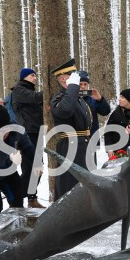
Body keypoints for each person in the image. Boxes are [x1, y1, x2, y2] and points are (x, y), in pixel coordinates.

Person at [50, 59, 93, 200]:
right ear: (63, 78)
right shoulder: (59, 98)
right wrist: (73, 87)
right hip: (70, 147)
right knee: (70, 187)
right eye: (72, 75)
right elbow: (66, 110)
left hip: (83, 146)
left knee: (85, 186)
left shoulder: (76, 97)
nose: (77, 79)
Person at [11, 67, 46, 208]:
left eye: (36, 75)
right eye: (32, 75)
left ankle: (32, 198)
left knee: (37, 167)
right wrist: (50, 91)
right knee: (29, 167)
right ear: (24, 77)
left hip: (35, 131)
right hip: (26, 134)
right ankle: (16, 198)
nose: (35, 78)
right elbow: (35, 98)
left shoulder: (29, 90)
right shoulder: (19, 90)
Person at [103, 89, 130, 154]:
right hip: (118, 152)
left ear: (129, 100)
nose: (119, 99)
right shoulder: (115, 114)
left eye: (122, 97)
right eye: (120, 97)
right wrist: (109, 149)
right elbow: (108, 132)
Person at [78, 69, 111, 138]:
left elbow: (105, 111)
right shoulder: (71, 99)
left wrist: (100, 99)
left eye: (85, 84)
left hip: (92, 139)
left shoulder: (92, 99)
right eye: (80, 84)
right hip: (76, 139)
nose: (83, 87)